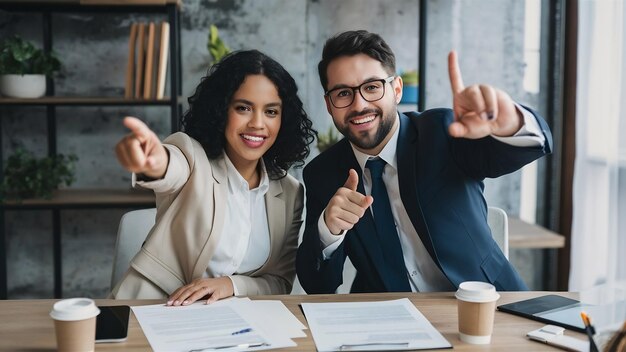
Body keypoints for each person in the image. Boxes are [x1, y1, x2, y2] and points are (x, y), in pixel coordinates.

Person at [296, 30, 553, 294]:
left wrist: (510, 123)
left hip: (487, 302)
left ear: (396, 90)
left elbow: (526, 148)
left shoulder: (443, 132)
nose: (359, 104)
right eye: (342, 93)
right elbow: (317, 285)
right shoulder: (322, 173)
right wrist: (329, 231)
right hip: (388, 317)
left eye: (372, 87)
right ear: (329, 104)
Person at [111, 50, 316, 304]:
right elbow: (170, 167)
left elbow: (279, 281)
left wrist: (230, 284)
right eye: (243, 108)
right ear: (221, 110)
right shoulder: (191, 156)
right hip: (154, 306)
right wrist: (153, 162)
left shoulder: (290, 192)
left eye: (271, 112)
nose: (257, 123)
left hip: (228, 324)